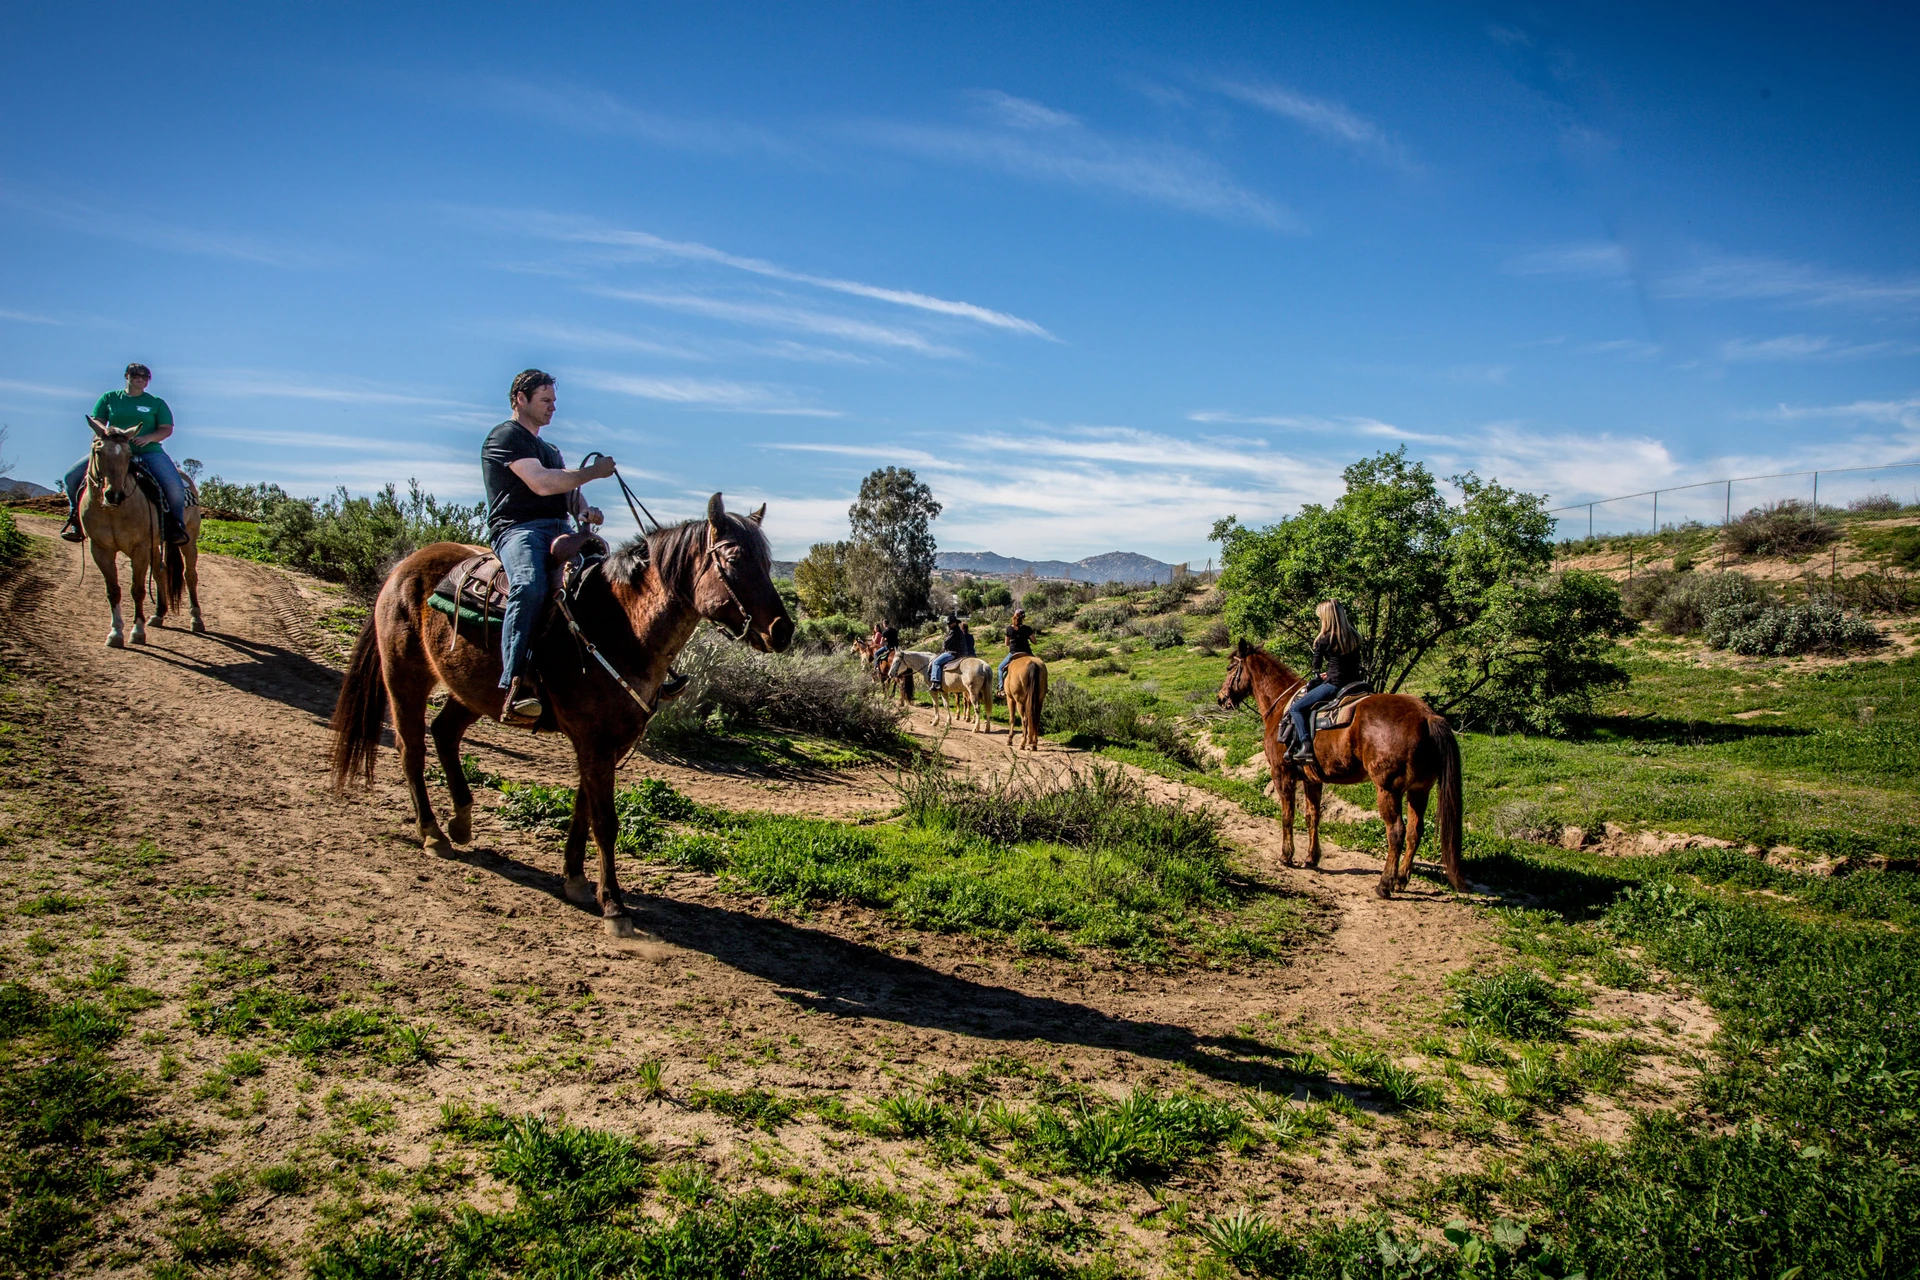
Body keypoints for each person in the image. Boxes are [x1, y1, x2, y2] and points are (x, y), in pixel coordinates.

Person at [481, 369, 615, 726]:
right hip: (519, 530)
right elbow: (541, 484)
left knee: (612, 579)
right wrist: (593, 473)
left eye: (554, 401)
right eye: (545, 400)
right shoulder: (506, 436)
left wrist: (584, 508)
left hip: (561, 529)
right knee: (528, 584)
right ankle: (515, 683)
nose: (553, 408)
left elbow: (566, 491)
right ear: (520, 399)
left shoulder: (551, 449)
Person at [62, 363, 190, 545]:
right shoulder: (109, 398)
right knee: (71, 477)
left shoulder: (156, 403)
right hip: (112, 451)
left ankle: (175, 527)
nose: (141, 378)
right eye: (136, 374)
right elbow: (98, 420)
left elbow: (166, 429)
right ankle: (76, 521)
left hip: (148, 451)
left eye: (146, 376)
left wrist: (149, 438)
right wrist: (103, 434)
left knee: (175, 487)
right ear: (127, 376)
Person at [1285, 600, 1363, 765]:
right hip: (1356, 683)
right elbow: (1350, 662)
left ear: (1325, 618)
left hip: (1335, 684)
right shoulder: (1354, 635)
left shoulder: (1323, 639)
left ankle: (1306, 746)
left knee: (1296, 708)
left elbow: (1316, 667)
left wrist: (1323, 674)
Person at [927, 614, 967, 693]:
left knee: (936, 662)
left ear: (955, 623)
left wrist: (943, 646)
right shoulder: (959, 631)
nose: (949, 625)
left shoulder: (954, 632)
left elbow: (945, 643)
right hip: (962, 653)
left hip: (953, 653)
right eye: (948, 623)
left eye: (950, 623)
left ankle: (936, 682)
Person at [997, 608, 1035, 691]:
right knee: (1039, 665)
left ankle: (1001, 687)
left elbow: (1006, 643)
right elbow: (1034, 642)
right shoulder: (1027, 628)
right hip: (1027, 652)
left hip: (1014, 653)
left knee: (1000, 668)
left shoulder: (1009, 629)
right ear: (1023, 618)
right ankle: (1044, 687)